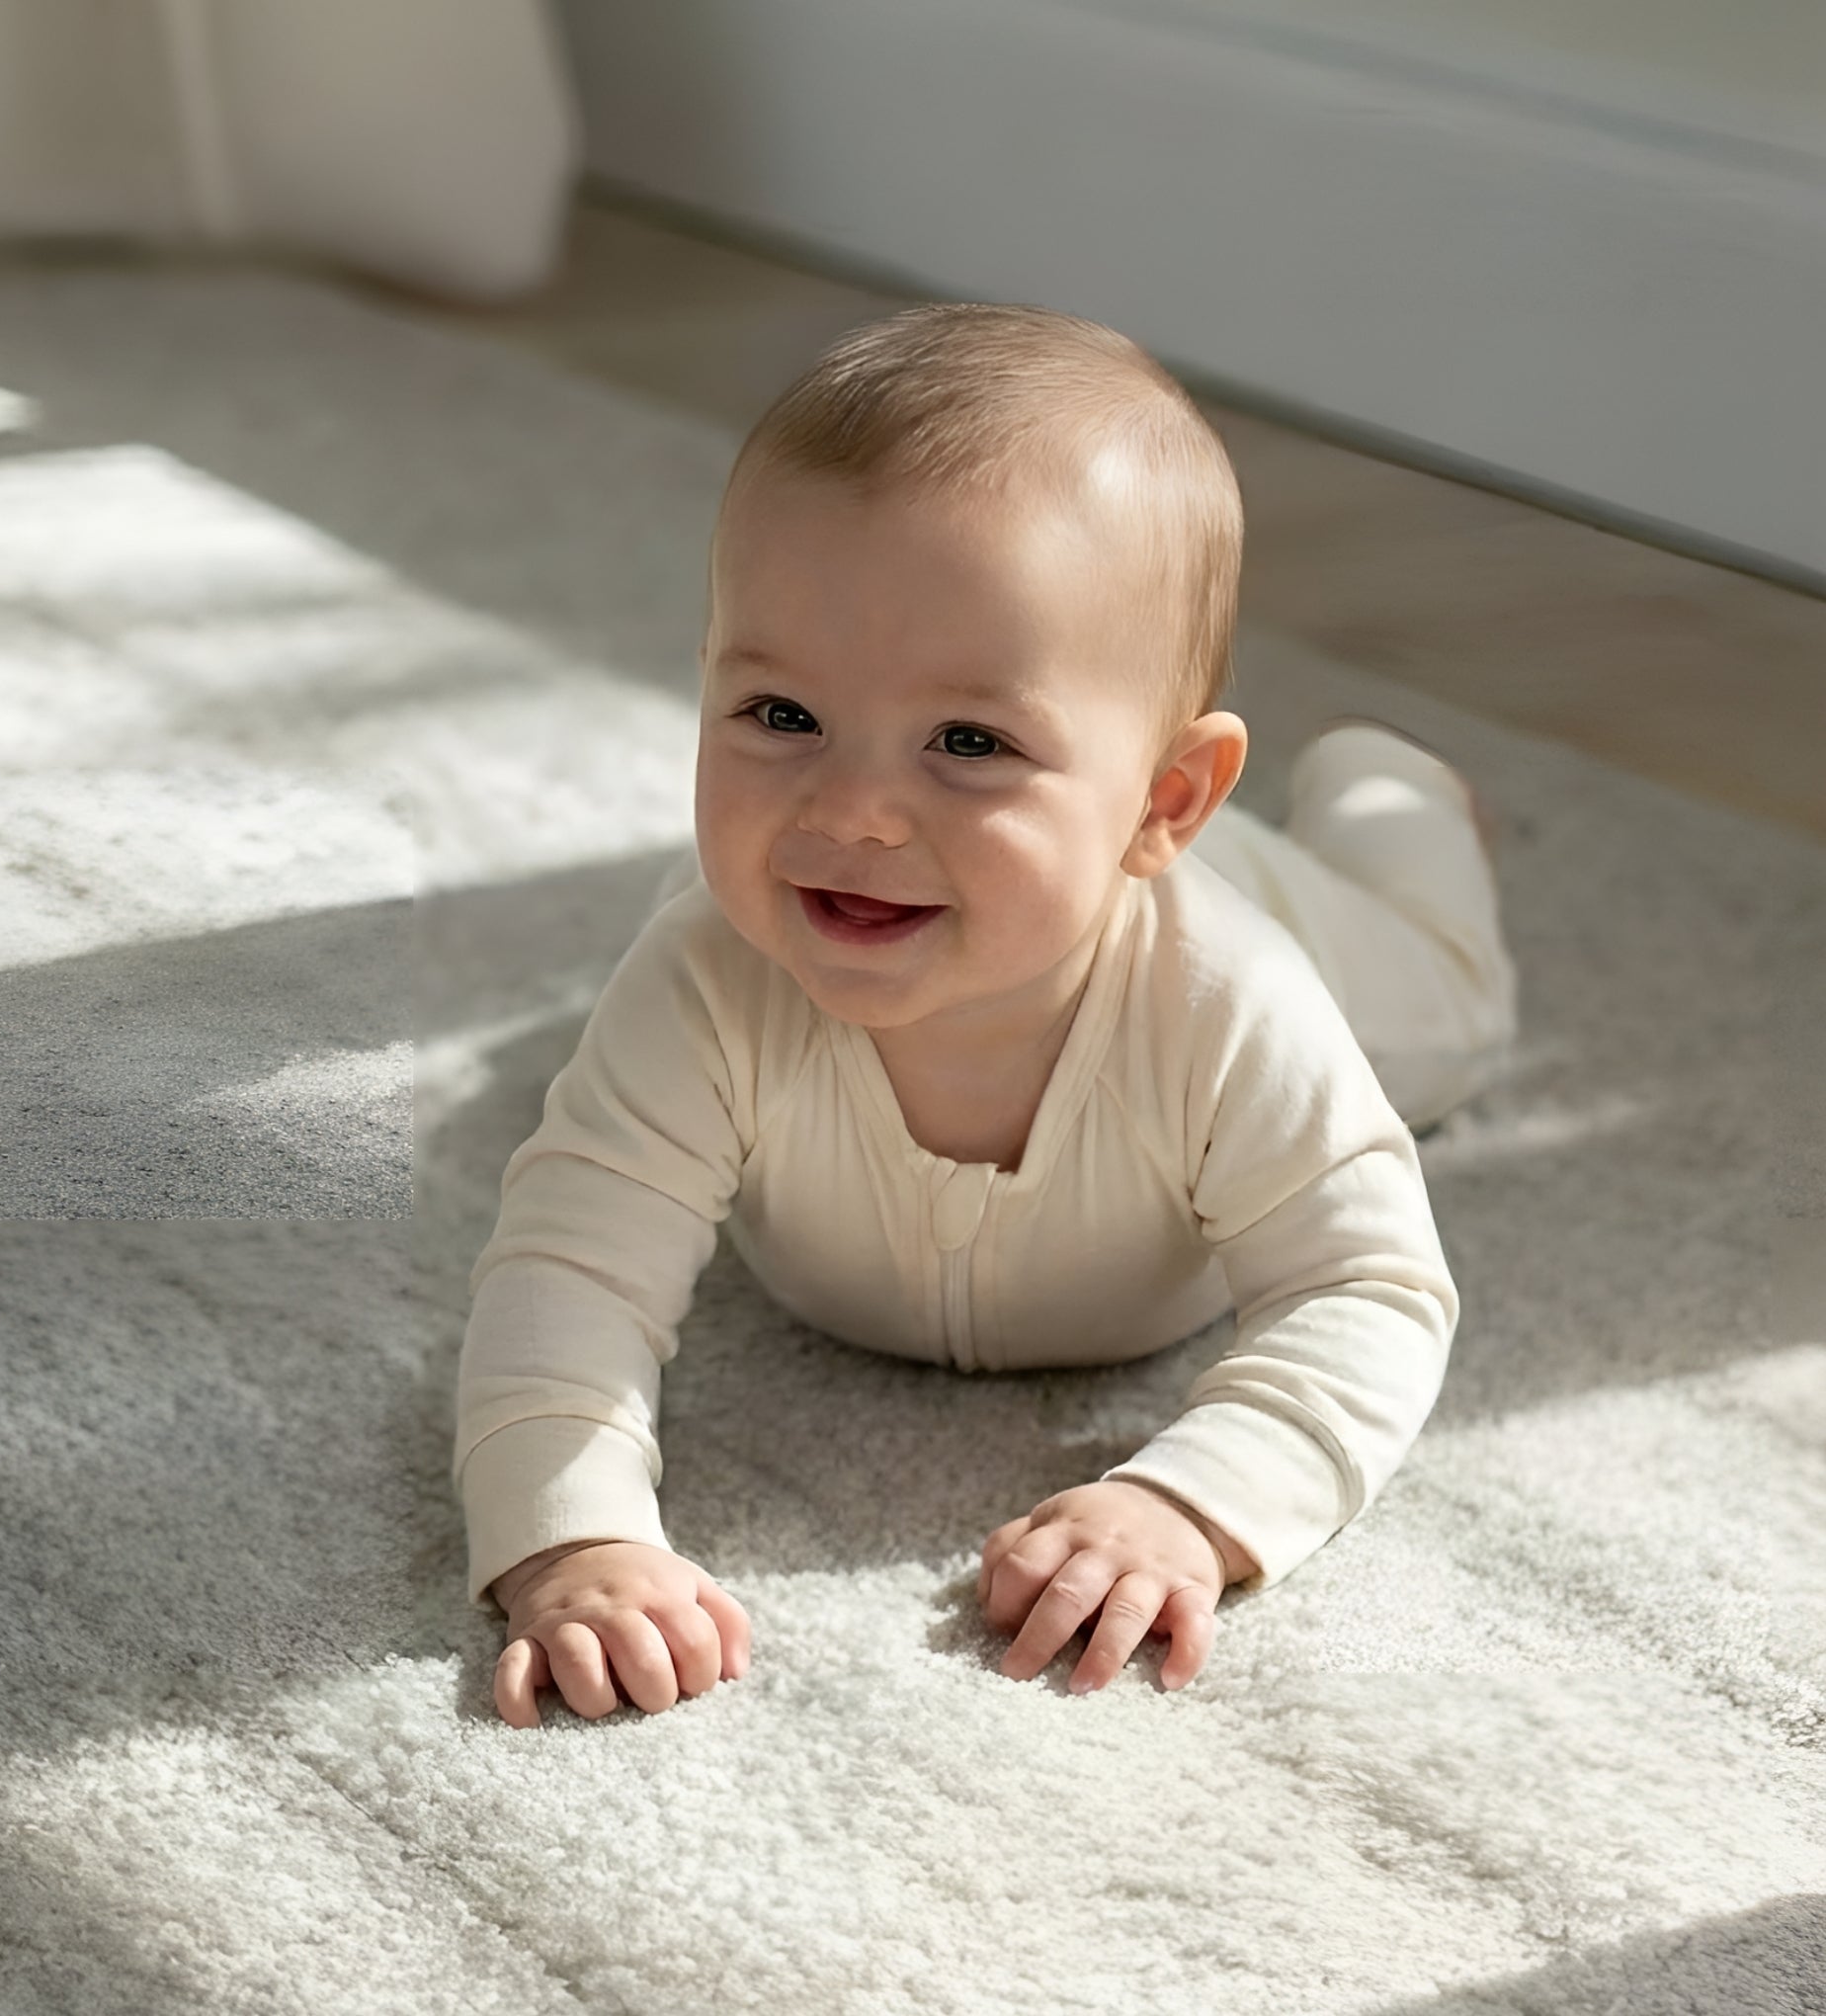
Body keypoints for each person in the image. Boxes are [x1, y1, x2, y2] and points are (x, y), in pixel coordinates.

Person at [456, 303, 1518, 1728]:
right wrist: (572, 1539)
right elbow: (566, 1274)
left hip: (1260, 915)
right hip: (982, 895)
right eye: (779, 715)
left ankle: (1390, 795)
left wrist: (1195, 1505)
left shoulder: (1234, 1002)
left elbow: (1366, 1289)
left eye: (969, 742)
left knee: (1457, 1009)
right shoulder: (709, 979)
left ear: (1165, 801)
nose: (850, 811)